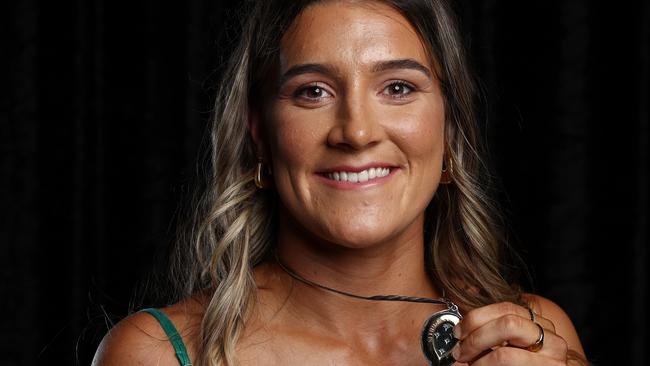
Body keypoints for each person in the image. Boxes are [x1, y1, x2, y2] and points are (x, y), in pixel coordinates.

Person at [93, 0, 588, 365]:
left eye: (397, 88)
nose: (356, 132)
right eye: (312, 91)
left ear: (450, 132)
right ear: (260, 136)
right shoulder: (154, 353)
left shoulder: (530, 337)